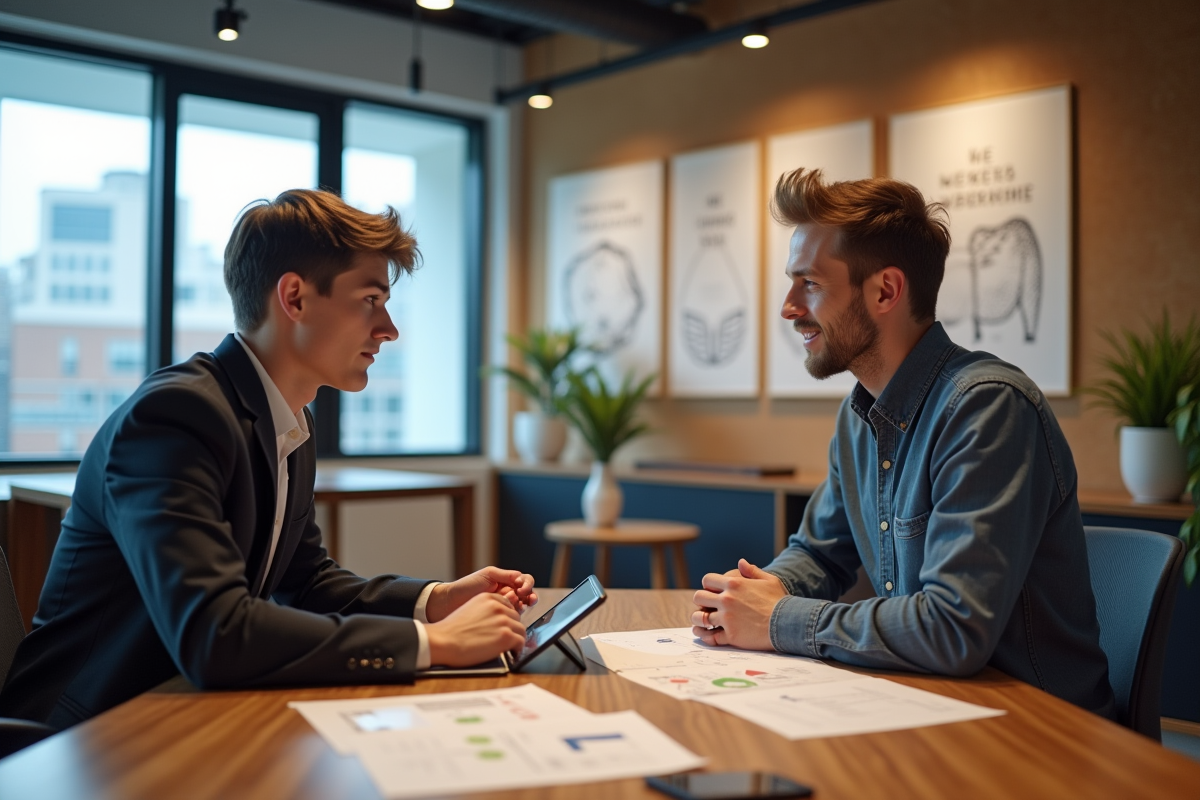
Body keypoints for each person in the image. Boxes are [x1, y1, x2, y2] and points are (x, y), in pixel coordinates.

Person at [0, 190, 535, 729]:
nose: (389, 329)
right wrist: (433, 642)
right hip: (79, 740)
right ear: (295, 298)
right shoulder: (175, 416)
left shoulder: (287, 418)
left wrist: (436, 601)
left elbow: (305, 584)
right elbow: (216, 634)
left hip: (182, 716)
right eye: (371, 300)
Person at [691, 169, 1115, 718]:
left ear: (885, 290)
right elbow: (821, 552)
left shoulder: (988, 408)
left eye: (810, 284)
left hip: (1037, 729)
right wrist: (750, 593)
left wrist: (777, 619)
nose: (789, 307)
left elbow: (952, 629)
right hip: (929, 703)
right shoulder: (859, 414)